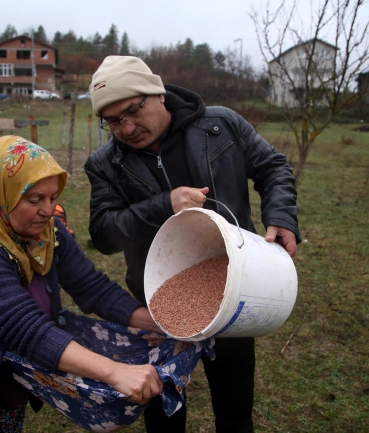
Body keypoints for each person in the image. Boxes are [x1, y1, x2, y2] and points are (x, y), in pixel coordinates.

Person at [84, 56, 301, 433]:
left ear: (158, 95)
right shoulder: (106, 163)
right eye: (113, 121)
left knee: (235, 408)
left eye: (133, 111)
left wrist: (281, 215)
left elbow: (273, 166)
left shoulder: (220, 125)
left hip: (238, 289)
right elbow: (103, 233)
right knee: (164, 411)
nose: (127, 127)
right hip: (158, 304)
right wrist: (163, 204)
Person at [0, 135, 163, 433]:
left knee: (3, 419)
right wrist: (114, 371)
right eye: (34, 199)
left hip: (1, 357)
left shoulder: (46, 232)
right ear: (0, 193)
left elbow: (93, 288)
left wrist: (162, 324)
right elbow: (22, 327)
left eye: (53, 197)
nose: (48, 210)